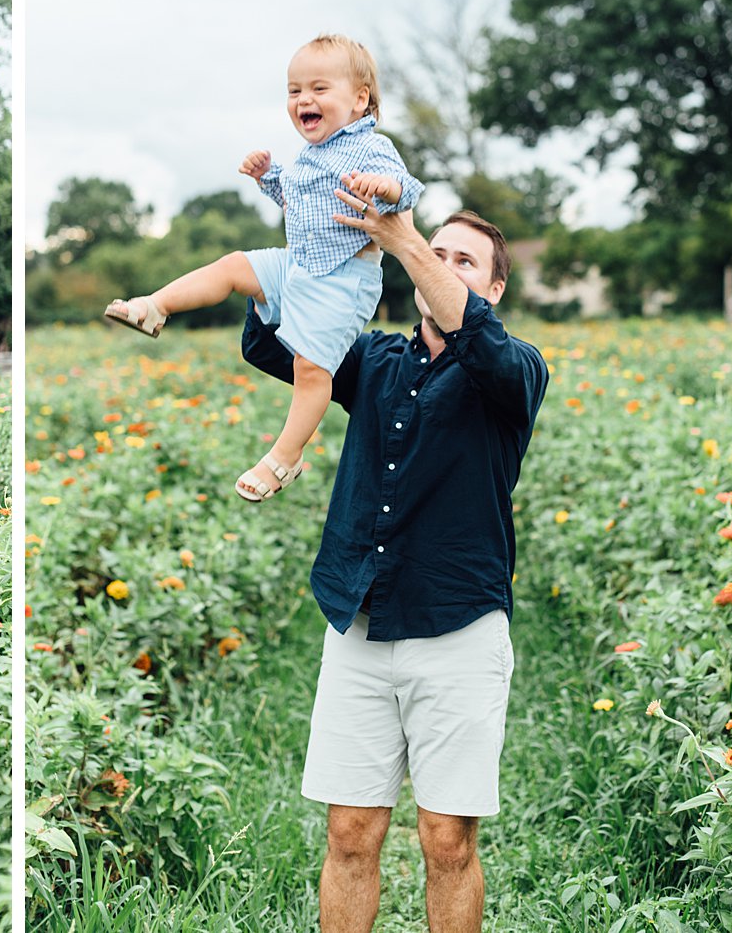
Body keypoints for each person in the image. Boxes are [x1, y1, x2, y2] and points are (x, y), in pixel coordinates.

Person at [242, 197, 548, 933]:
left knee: (447, 841)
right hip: (360, 622)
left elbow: (474, 332)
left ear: (495, 289)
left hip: (457, 631)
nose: (440, 264)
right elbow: (276, 345)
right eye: (434, 252)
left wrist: (404, 239)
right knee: (351, 832)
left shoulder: (513, 371)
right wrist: (303, 228)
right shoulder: (373, 357)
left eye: (462, 260)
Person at [104, 34, 425, 503]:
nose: (304, 100)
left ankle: (286, 456)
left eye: (318, 88)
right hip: (298, 263)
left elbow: (410, 190)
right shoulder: (311, 154)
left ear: (360, 100)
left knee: (311, 369)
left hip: (342, 279)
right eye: (294, 91)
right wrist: (267, 177)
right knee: (235, 266)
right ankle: (154, 307)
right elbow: (297, 204)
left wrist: (386, 187)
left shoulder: (372, 147)